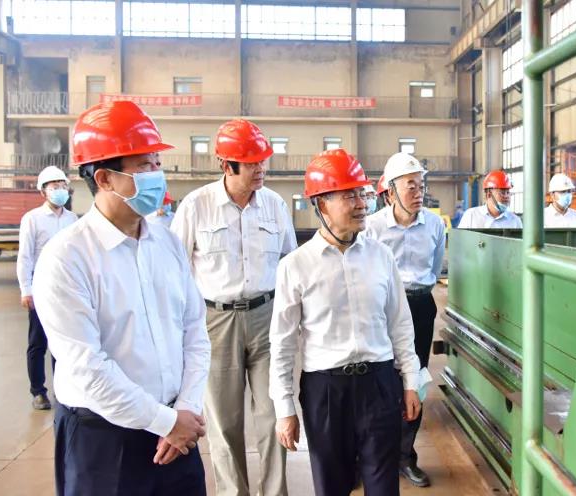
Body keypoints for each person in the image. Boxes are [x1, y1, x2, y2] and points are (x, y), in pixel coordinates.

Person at [32, 100, 211, 495]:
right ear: (105, 178)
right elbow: (87, 366)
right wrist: (165, 422)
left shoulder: (167, 244)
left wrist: (187, 407)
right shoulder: (67, 258)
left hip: (178, 433)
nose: (157, 175)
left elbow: (195, 332)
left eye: (157, 163)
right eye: (144, 166)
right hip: (104, 441)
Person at [269, 148, 421, 496]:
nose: (362, 204)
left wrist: (411, 381)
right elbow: (283, 343)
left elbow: (400, 324)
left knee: (384, 487)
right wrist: (284, 407)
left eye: (362, 194)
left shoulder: (381, 256)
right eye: (349, 195)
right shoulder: (295, 266)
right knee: (332, 486)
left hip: (379, 384)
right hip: (325, 391)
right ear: (322, 203)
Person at [170, 119, 296, 496]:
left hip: (267, 319)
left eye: (263, 161)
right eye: (252, 163)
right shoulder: (196, 206)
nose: (261, 169)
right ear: (227, 165)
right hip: (216, 322)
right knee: (224, 423)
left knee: (274, 414)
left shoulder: (274, 205)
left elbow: (289, 263)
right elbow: (175, 270)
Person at [363, 152, 445, 488]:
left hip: (421, 305)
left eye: (420, 185)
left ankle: (405, 456)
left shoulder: (435, 225)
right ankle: (372, 456)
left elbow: (435, 268)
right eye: (410, 185)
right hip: (383, 310)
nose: (418, 191)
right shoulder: (372, 227)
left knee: (416, 380)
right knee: (379, 379)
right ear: (390, 191)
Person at [16, 165, 78, 410]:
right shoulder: (32, 219)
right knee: (38, 342)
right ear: (43, 192)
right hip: (41, 286)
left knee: (63, 341)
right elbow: (25, 256)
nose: (60, 190)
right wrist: (26, 289)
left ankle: (61, 390)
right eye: (54, 186)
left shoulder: (72, 219)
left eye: (63, 186)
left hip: (65, 287)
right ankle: (38, 391)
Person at [457, 170, 523, 229]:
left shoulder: (515, 221)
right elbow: (460, 238)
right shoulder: (471, 216)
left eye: (508, 192)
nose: (506, 196)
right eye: (502, 193)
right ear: (488, 194)